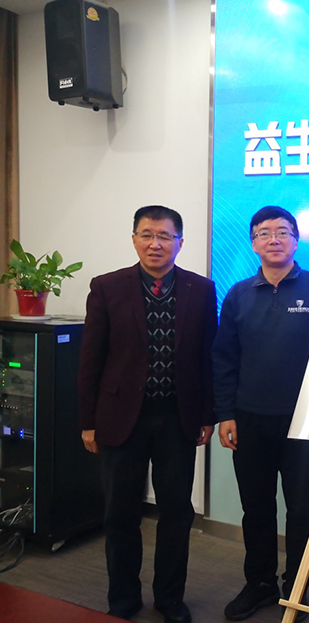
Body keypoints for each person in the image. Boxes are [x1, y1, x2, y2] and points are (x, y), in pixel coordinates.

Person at [78, 206, 217, 623]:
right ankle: (123, 598)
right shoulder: (107, 287)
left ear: (180, 242)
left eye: (164, 236)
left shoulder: (201, 289)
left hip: (177, 418)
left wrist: (207, 415)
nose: (155, 244)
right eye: (146, 235)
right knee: (120, 514)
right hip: (120, 419)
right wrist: (88, 421)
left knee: (177, 513)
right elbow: (90, 360)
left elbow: (207, 357)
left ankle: (170, 598)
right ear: (134, 239)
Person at [213, 206, 309, 621]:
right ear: (253, 243)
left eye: (283, 232)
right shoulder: (238, 295)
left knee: (301, 508)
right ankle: (260, 583)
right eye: (264, 233)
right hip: (249, 418)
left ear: (296, 240)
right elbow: (224, 358)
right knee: (256, 506)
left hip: (304, 420)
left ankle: (297, 589)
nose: (274, 239)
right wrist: (225, 413)